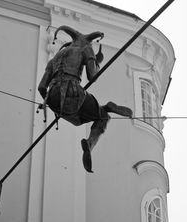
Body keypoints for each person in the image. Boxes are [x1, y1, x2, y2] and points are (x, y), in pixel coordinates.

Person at [38, 25, 133, 173]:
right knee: (102, 116)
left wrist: (48, 103)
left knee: (77, 121)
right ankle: (91, 141)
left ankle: (105, 109)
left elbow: (41, 87)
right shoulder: (85, 49)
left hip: (53, 99)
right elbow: (92, 76)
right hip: (73, 92)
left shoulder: (55, 59)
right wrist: (95, 61)